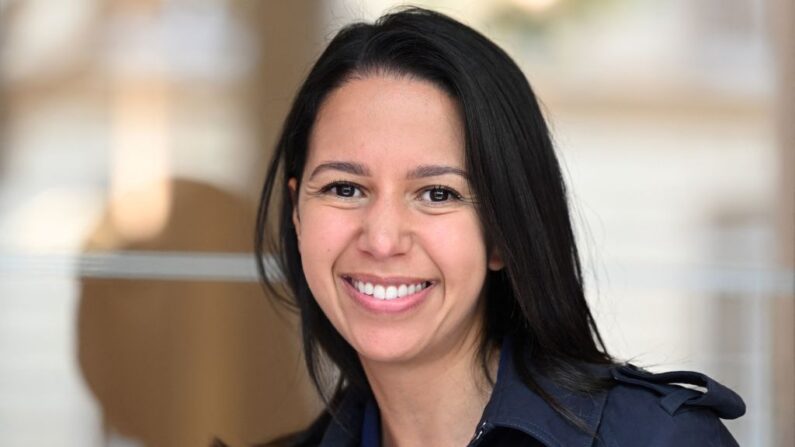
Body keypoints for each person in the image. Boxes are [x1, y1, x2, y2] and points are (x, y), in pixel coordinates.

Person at [254, 7, 745, 447]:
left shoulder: (659, 440)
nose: (382, 240)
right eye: (345, 188)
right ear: (298, 212)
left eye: (437, 194)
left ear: (502, 235)